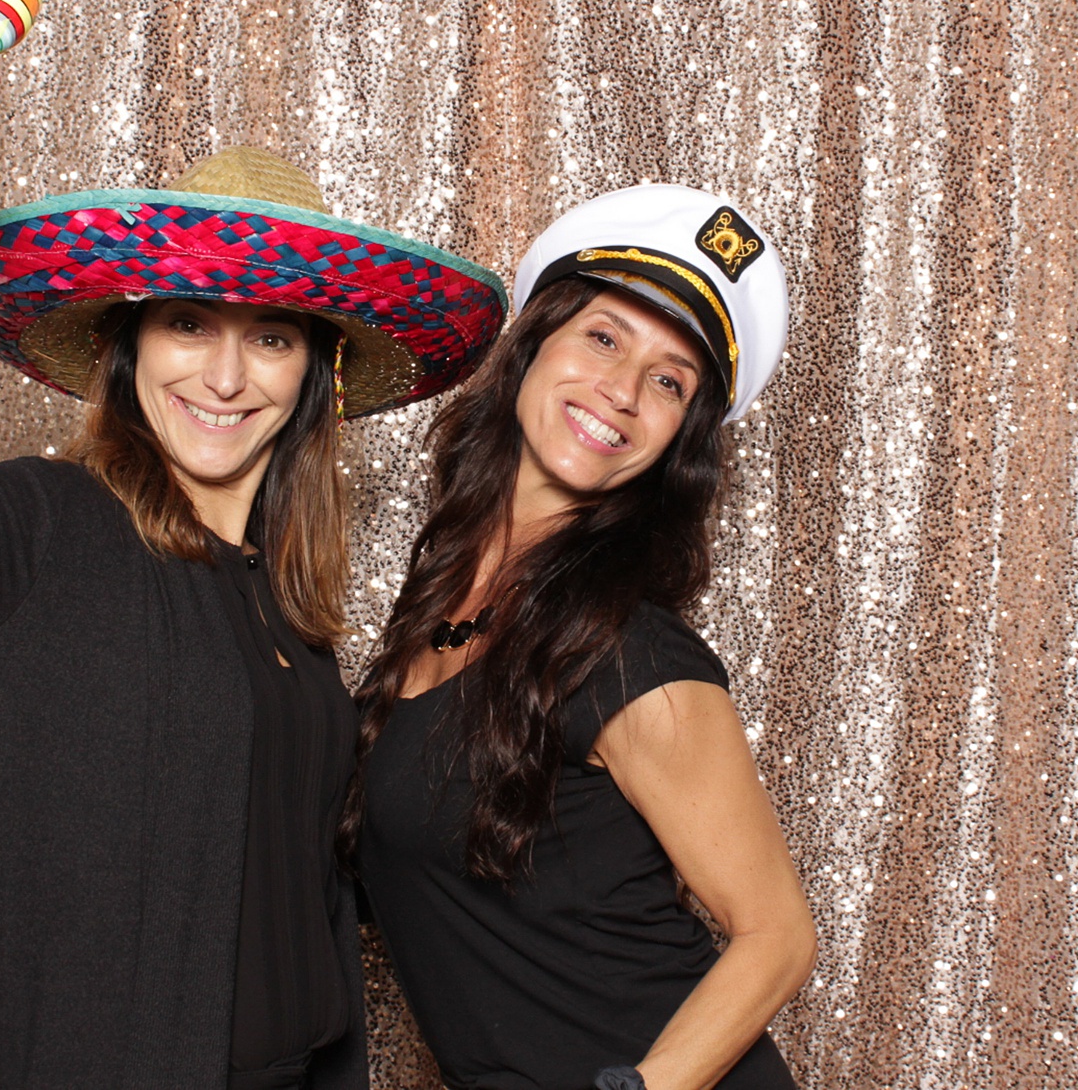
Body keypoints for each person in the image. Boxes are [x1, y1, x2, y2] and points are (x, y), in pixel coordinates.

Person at [0, 42, 506, 1089]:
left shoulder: (287, 606)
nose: (226, 374)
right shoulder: (33, 530)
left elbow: (298, 898)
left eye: (271, 338)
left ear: (314, 374)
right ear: (127, 345)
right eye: (190, 322)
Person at [344, 187, 816, 1090]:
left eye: (671, 380)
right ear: (532, 346)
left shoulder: (634, 656)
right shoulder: (442, 601)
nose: (623, 391)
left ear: (681, 437)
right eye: (603, 337)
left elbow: (779, 936)